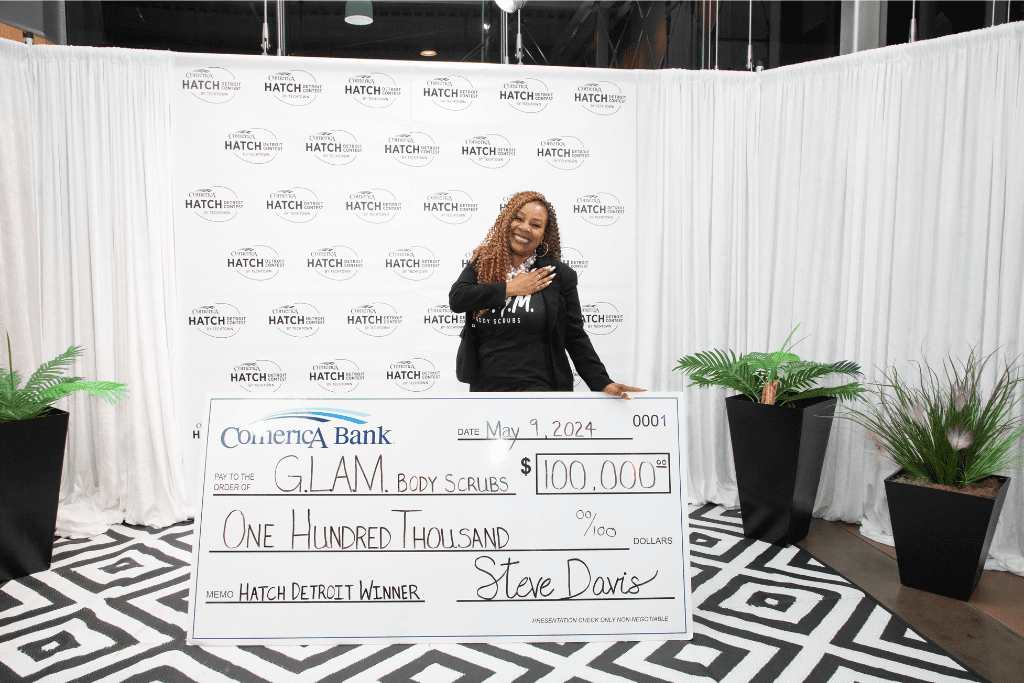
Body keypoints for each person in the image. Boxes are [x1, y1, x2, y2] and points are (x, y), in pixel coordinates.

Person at [449, 190, 644, 398]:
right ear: (507, 221)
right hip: (486, 390)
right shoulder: (484, 264)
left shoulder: (557, 275)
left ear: (544, 235)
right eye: (518, 218)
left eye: (535, 224)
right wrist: (512, 288)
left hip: (541, 390)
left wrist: (602, 382)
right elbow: (458, 298)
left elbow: (574, 336)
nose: (524, 228)